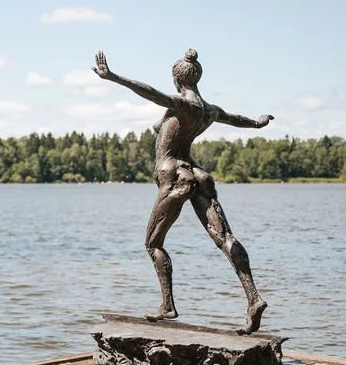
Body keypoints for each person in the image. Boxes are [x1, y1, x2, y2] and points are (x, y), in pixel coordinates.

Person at [92, 49, 273, 334]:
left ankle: (168, 305)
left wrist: (113, 77)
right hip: (197, 173)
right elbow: (236, 119)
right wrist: (257, 124)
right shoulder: (208, 110)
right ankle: (254, 297)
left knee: (153, 243)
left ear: (176, 79)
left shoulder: (179, 103)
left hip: (174, 174)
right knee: (225, 237)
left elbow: (148, 91)